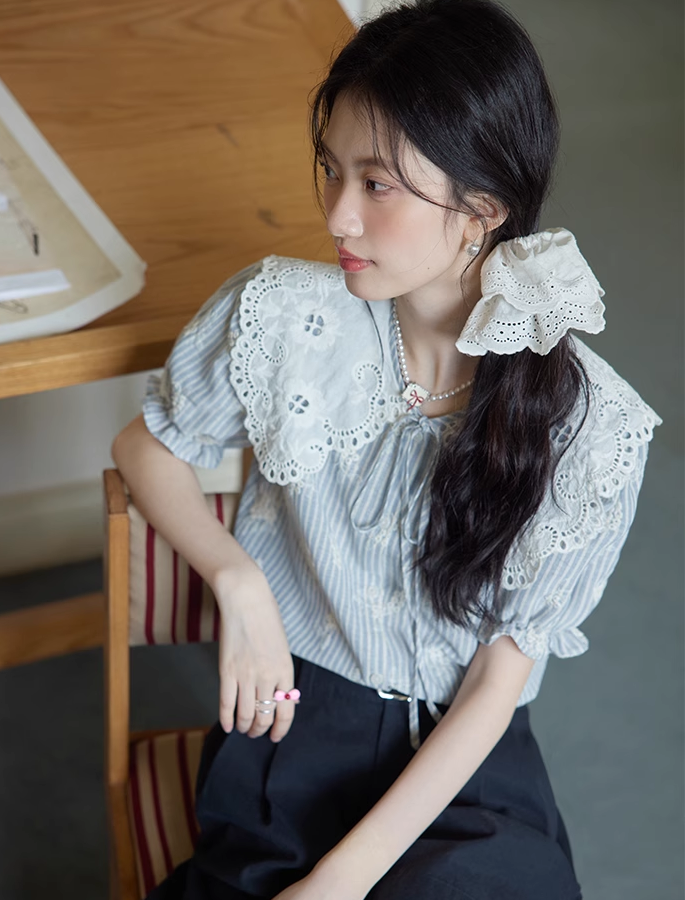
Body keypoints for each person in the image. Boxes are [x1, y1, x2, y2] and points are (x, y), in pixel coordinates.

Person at [111, 1, 661, 897]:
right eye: (330, 168)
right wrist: (239, 584)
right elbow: (148, 448)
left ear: (482, 209)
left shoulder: (591, 425)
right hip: (292, 732)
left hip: (465, 765)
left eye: (377, 184)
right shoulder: (282, 314)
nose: (338, 216)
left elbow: (497, 679)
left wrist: (342, 881)